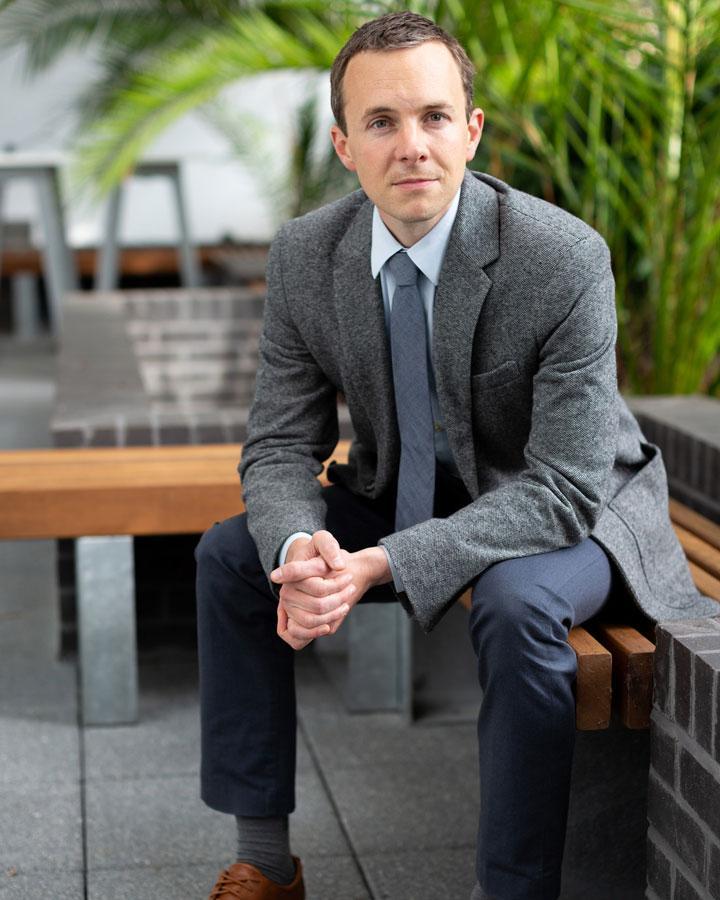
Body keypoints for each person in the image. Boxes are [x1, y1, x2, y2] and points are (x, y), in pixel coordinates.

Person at [195, 11, 718, 900]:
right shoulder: (305, 257)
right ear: (344, 144)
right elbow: (282, 442)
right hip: (406, 485)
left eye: (435, 117)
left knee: (515, 607)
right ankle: (267, 864)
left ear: (471, 131)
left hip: (572, 509)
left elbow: (561, 487)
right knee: (230, 555)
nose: (413, 146)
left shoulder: (560, 258)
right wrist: (299, 549)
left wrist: (384, 562)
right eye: (382, 122)